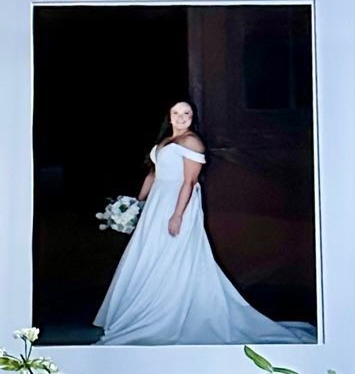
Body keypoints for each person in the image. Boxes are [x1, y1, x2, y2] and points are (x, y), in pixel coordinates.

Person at [93, 100, 314, 346]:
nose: (181, 117)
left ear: (192, 116)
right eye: (176, 113)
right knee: (149, 253)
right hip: (157, 203)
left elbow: (188, 182)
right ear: (169, 116)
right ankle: (139, 309)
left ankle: (167, 315)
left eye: (186, 113)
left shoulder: (192, 142)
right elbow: (154, 174)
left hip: (177, 203)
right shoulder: (166, 141)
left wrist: (177, 215)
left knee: (172, 256)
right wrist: (137, 203)